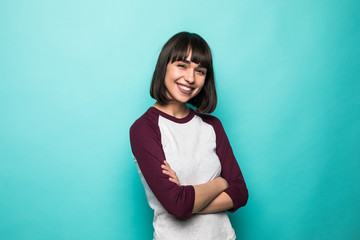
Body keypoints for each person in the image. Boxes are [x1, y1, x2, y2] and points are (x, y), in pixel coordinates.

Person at [129, 32, 248, 240]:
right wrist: (220, 183)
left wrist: (188, 200)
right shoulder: (144, 129)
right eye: (182, 66)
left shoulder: (212, 126)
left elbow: (240, 192)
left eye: (200, 70)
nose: (190, 78)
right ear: (164, 66)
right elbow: (176, 204)